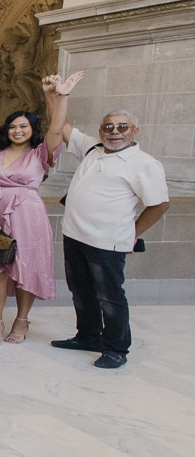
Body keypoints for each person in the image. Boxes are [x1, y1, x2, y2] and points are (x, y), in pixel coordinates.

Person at [48, 100, 168, 369]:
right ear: (101, 131)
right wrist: (57, 95)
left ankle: (116, 348)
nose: (115, 132)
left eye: (122, 127)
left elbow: (159, 203)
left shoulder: (144, 163)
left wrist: (133, 232)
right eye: (109, 127)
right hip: (74, 235)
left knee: (109, 296)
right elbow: (61, 125)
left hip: (108, 242)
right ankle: (88, 337)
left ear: (134, 131)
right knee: (80, 290)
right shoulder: (93, 148)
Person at [0, 75, 76, 347]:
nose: (17, 130)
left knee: (25, 267)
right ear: (6, 129)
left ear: (33, 129)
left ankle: (22, 319)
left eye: (24, 126)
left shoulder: (41, 153)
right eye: (13, 126)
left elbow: (56, 131)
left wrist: (58, 97)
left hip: (28, 215)